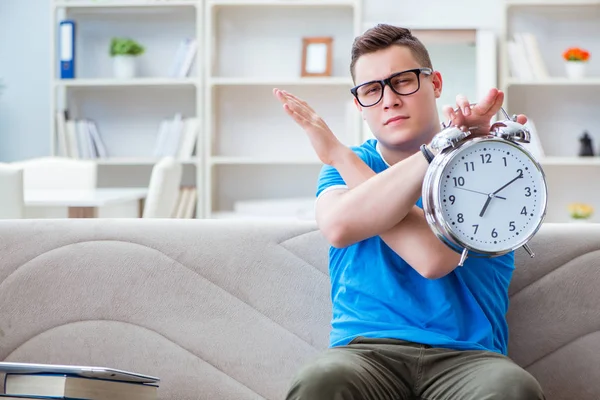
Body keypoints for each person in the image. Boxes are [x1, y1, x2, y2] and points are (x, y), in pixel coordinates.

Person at [273, 24, 546, 400]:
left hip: (469, 358)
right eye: (372, 90)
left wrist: (442, 149)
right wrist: (344, 159)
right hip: (365, 353)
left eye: (402, 81)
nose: (389, 100)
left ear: (435, 84)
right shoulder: (343, 169)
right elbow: (339, 226)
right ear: (359, 104)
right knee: (321, 380)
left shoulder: (485, 165)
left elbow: (433, 258)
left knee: (512, 389)